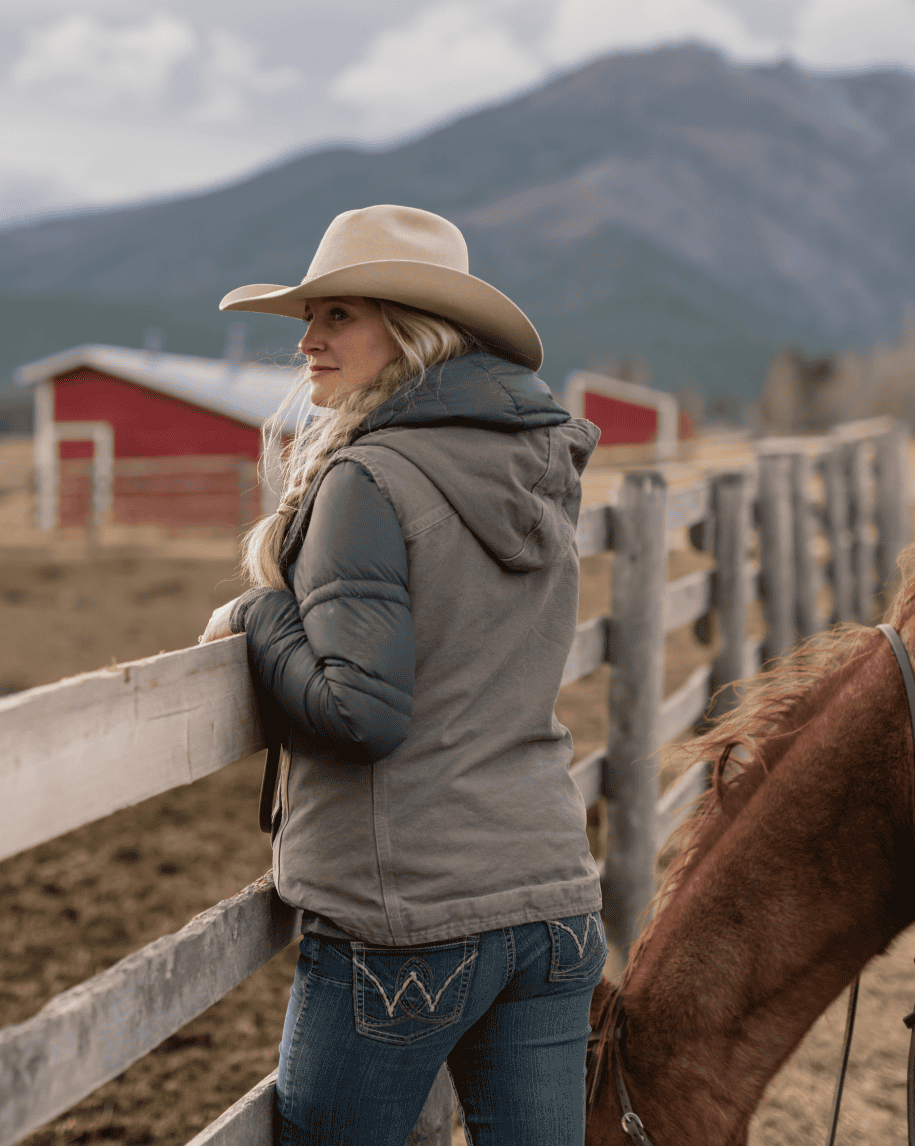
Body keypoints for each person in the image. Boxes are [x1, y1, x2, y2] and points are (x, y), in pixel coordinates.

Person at [199, 204, 606, 1145]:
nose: (307, 341)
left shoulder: (368, 480)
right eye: (311, 317)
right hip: (551, 904)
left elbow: (359, 710)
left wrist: (262, 614)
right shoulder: (533, 466)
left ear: (415, 333)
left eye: (338, 316)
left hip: (408, 912)